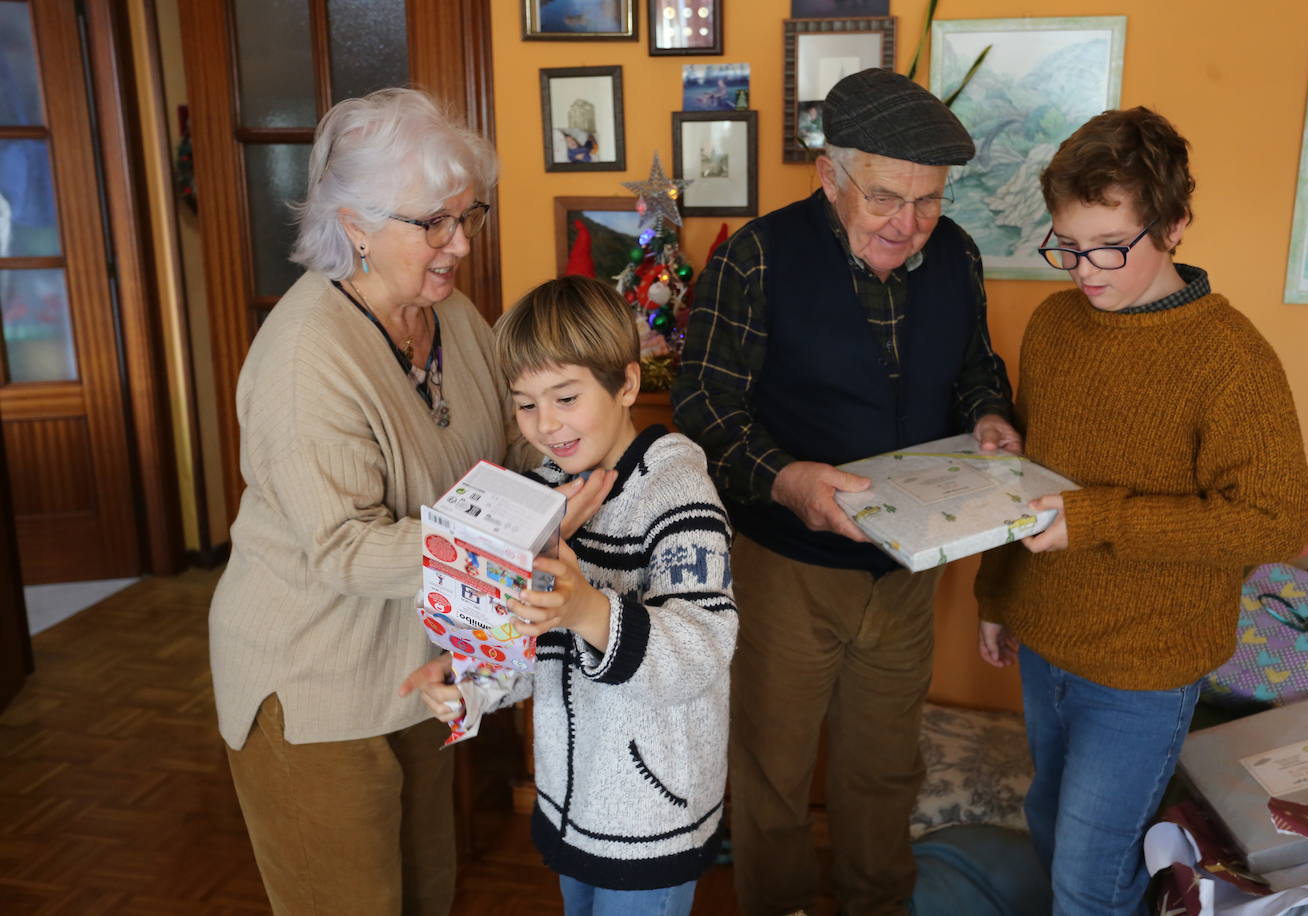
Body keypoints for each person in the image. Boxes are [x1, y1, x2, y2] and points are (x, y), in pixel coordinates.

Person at [208, 88, 609, 915]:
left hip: (422, 663)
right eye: (434, 224)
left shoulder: (452, 316)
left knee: (429, 888)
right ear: (355, 224)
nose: (460, 244)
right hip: (311, 680)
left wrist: (601, 452)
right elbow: (346, 550)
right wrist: (517, 541)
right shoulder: (304, 362)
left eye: (468, 217)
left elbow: (510, 441)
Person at [673, 68, 1020, 916]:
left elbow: (976, 367)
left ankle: (876, 905)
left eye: (929, 200)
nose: (909, 224)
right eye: (886, 198)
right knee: (774, 767)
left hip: (906, 568)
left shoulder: (959, 253)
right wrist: (786, 480)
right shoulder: (757, 254)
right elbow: (703, 402)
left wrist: (990, 418)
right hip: (786, 565)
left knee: (883, 765)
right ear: (831, 175)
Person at [974, 106, 1308, 915]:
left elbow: (1272, 519)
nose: (1085, 271)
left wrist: (1098, 520)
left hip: (1144, 669)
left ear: (1176, 226)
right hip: (1044, 640)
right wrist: (998, 592)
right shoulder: (1057, 325)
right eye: (1068, 245)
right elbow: (1032, 476)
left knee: (1089, 882)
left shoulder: (1230, 357)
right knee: (1051, 828)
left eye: (1109, 248)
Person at [401, 276, 737, 916]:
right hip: (570, 808)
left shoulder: (680, 497)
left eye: (566, 396)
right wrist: (469, 677)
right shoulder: (540, 492)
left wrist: (590, 610)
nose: (545, 425)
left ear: (627, 385)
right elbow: (528, 639)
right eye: (525, 404)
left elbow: (703, 648)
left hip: (651, 820)